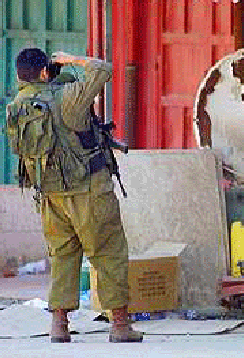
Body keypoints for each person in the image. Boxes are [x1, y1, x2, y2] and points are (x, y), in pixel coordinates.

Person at [6, 48, 142, 343]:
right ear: (45, 72)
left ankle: (60, 326)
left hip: (49, 195)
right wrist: (72, 60)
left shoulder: (16, 106)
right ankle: (119, 325)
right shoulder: (67, 100)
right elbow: (103, 69)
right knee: (108, 253)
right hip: (88, 191)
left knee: (62, 257)